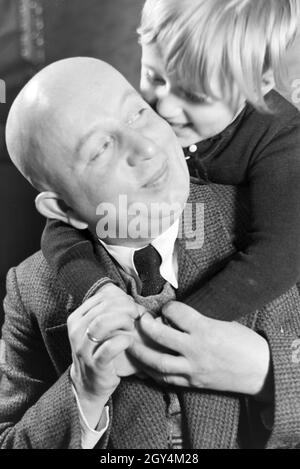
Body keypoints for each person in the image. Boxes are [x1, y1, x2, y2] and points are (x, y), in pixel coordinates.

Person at [1, 57, 300, 449]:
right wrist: (82, 393)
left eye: (138, 113)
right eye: (102, 148)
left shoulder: (278, 224)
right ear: (62, 210)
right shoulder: (30, 290)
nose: (146, 147)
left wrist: (264, 372)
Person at [41, 0, 300, 323]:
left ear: (259, 84)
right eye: (156, 77)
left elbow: (279, 258)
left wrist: (167, 328)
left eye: (195, 96)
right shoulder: (138, 120)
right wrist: (97, 290)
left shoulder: (283, 138)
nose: (165, 108)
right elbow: (66, 217)